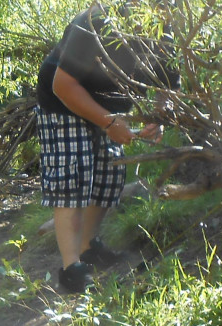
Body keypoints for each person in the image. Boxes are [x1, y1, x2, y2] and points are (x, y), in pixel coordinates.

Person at [36, 2, 179, 292]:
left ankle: (89, 247)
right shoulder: (96, 21)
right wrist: (109, 124)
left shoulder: (166, 27)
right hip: (63, 102)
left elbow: (168, 83)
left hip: (109, 106)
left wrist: (159, 116)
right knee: (72, 181)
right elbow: (62, 85)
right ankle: (72, 267)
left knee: (109, 178)